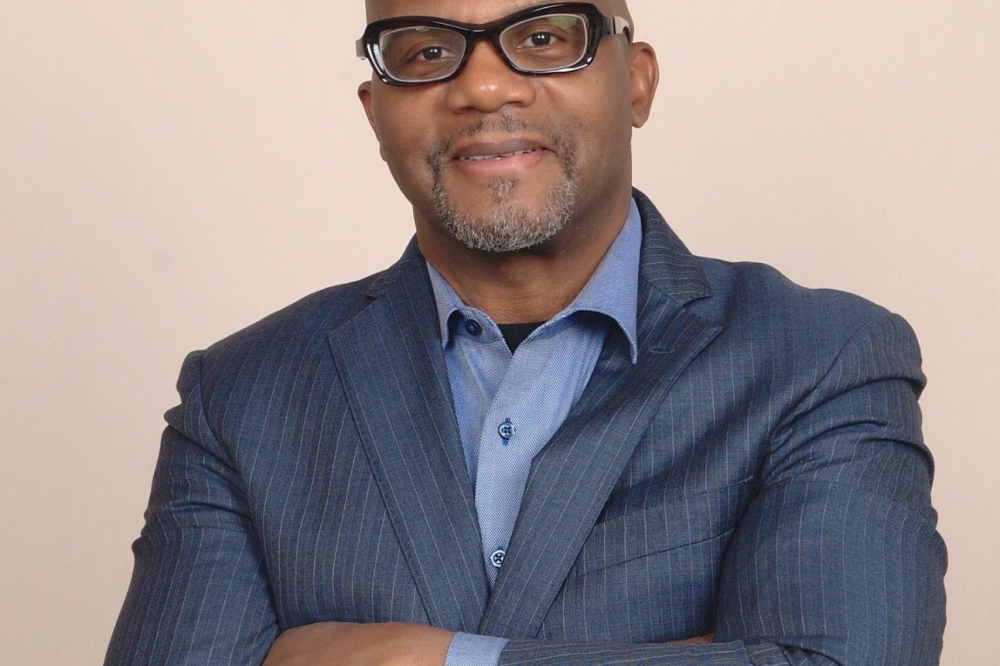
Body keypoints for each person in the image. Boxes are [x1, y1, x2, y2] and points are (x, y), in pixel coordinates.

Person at [105, 1, 947, 665]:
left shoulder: (819, 359)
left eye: (544, 38)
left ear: (637, 81)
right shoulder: (240, 396)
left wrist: (435, 659)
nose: (483, 87)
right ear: (374, 111)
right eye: (426, 51)